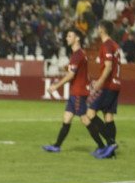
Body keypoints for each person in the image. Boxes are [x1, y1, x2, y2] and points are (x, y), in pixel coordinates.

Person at [42, 29, 91, 153]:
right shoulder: (78, 54)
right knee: (66, 118)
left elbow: (71, 75)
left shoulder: (78, 54)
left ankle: (102, 146)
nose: (67, 38)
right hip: (75, 91)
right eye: (67, 36)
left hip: (78, 92)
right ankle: (57, 146)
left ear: (77, 38)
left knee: (84, 119)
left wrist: (56, 86)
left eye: (70, 36)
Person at [85, 20, 122, 159]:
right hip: (116, 84)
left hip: (108, 85)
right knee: (108, 116)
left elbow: (108, 67)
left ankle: (111, 143)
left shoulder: (106, 45)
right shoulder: (114, 45)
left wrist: (99, 83)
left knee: (90, 113)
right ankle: (110, 153)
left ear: (102, 29)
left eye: (98, 27)